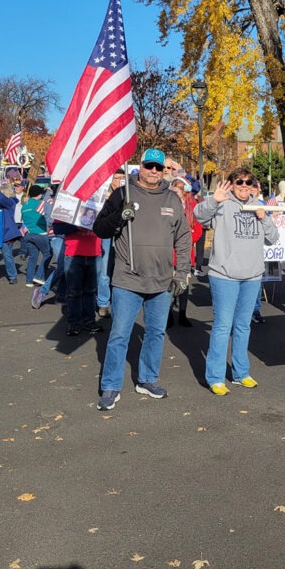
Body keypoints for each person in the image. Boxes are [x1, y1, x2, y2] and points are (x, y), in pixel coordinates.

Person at [92, 148, 191, 411]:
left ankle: (147, 380)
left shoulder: (172, 199)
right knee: (119, 335)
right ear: (141, 168)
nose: (154, 172)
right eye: (149, 166)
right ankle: (111, 386)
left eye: (159, 168)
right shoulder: (123, 193)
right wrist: (118, 217)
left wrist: (182, 273)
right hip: (128, 280)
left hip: (161, 282)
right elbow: (99, 228)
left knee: (156, 333)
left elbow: (183, 238)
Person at [194, 168, 278, 396]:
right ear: (231, 183)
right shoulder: (221, 203)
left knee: (243, 326)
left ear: (253, 185)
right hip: (224, 275)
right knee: (223, 326)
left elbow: (273, 239)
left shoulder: (259, 204)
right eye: (239, 181)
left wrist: (264, 219)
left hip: (252, 276)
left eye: (248, 182)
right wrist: (213, 200)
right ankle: (215, 377)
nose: (243, 185)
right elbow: (198, 216)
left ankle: (241, 374)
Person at [168, 176, 203, 327]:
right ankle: (168, 314)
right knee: (168, 284)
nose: (179, 192)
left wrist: (186, 240)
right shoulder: (167, 203)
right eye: (176, 188)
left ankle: (182, 313)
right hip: (168, 252)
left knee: (183, 284)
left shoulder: (191, 205)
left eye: (181, 189)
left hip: (184, 252)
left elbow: (199, 229)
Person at [62, 225, 104, 335]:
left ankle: (89, 321)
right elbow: (58, 228)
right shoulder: (69, 206)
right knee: (73, 292)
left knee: (91, 291)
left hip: (95, 253)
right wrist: (77, 227)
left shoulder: (101, 207)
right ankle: (73, 323)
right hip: (73, 254)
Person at [95, 168, 126, 319]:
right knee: (105, 271)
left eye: (122, 178)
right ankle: (103, 303)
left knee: (119, 271)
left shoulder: (126, 194)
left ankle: (118, 303)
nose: (119, 181)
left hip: (122, 236)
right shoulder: (104, 194)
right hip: (107, 237)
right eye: (117, 178)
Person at [0, 184, 21, 286]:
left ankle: (12, 276)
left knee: (7, 256)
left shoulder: (10, 202)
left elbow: (3, 199)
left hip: (6, 234)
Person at [21, 185, 51, 287]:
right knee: (47, 254)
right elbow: (46, 217)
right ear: (39, 194)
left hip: (28, 234)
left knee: (32, 257)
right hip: (40, 233)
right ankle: (39, 276)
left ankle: (29, 281)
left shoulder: (24, 205)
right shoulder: (40, 204)